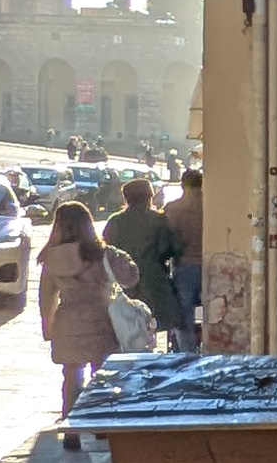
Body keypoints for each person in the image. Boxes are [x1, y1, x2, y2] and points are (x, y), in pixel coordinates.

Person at [38, 198, 122, 434]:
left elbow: (46, 298)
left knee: (71, 377)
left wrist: (49, 328)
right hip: (100, 319)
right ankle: (100, 424)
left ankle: (71, 428)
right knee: (101, 375)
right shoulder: (101, 253)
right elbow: (131, 275)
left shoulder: (51, 258)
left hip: (67, 322)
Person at [106, 177, 184, 349]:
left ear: (126, 198)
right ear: (150, 196)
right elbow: (173, 249)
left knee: (125, 325)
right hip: (154, 281)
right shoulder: (159, 221)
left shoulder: (115, 222)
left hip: (123, 284)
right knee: (158, 322)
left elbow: (106, 251)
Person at [162, 166, 208, 350]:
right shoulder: (211, 206)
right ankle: (211, 349)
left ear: (182, 185)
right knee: (215, 313)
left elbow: (166, 241)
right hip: (211, 264)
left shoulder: (172, 208)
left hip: (183, 265)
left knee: (183, 317)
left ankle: (187, 354)